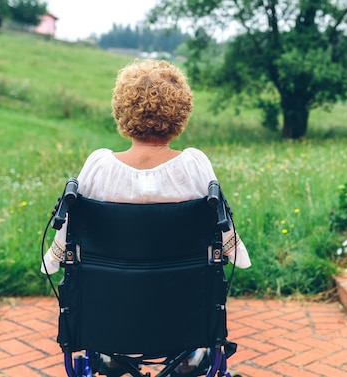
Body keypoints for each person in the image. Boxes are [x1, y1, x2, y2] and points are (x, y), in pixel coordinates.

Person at [41, 59, 251, 376]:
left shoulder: (98, 166)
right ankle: (185, 358)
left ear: (121, 110)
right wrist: (237, 253)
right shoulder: (195, 165)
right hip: (183, 317)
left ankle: (115, 356)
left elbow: (61, 247)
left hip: (109, 318)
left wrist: (52, 260)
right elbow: (231, 250)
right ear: (181, 112)